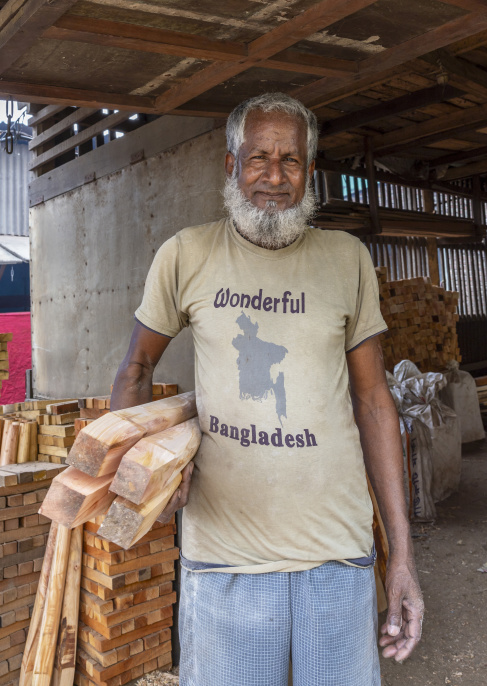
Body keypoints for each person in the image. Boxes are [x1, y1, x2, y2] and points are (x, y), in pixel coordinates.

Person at [111, 92, 424, 686]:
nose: (274, 178)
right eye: (259, 159)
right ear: (231, 165)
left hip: (337, 556)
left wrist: (403, 558)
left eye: (291, 161)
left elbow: (375, 404)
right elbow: (134, 371)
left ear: (310, 171)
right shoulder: (186, 254)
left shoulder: (347, 259)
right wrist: (138, 480)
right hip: (226, 559)